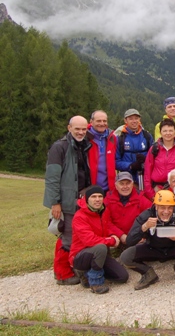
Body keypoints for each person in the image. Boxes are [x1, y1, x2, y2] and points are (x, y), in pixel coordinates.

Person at [44, 116, 92, 285]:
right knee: (67, 237)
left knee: (78, 236)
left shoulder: (84, 145)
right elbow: (52, 177)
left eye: (84, 129)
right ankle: (62, 274)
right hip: (66, 201)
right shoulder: (59, 147)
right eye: (77, 129)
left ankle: (73, 267)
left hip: (81, 199)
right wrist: (55, 202)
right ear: (69, 128)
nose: (80, 132)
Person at [121, 190, 175, 290]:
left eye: (170, 208)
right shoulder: (146, 216)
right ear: (156, 206)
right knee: (126, 256)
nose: (166, 211)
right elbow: (129, 241)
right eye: (162, 207)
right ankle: (148, 273)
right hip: (152, 248)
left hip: (174, 248)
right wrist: (144, 227)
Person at [69, 186, 129, 294]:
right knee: (100, 247)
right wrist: (111, 240)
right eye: (94, 197)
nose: (97, 199)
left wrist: (113, 235)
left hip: (99, 254)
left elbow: (107, 227)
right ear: (87, 199)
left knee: (122, 277)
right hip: (81, 255)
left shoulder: (103, 211)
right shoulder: (80, 217)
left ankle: (87, 274)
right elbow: (90, 241)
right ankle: (95, 282)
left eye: (100, 196)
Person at [143, 119, 175, 200]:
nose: (168, 133)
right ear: (160, 132)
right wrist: (150, 193)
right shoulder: (154, 149)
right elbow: (147, 172)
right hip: (157, 189)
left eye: (170, 130)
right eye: (165, 131)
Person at [104, 172, 152, 246]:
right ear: (116, 186)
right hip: (115, 239)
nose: (125, 186)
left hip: (137, 238)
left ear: (132, 184)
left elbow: (151, 217)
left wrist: (140, 235)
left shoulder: (142, 200)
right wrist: (121, 236)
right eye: (122, 184)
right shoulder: (108, 201)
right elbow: (106, 222)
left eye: (128, 183)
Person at [115, 108, 154, 186]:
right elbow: (115, 162)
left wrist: (145, 160)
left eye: (136, 118)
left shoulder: (147, 136)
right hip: (126, 179)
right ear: (125, 120)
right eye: (131, 119)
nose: (134, 121)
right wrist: (131, 165)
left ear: (139, 119)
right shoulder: (119, 138)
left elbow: (154, 156)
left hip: (145, 176)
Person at [87, 110, 117, 192]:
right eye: (98, 121)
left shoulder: (112, 138)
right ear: (91, 122)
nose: (102, 123)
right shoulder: (85, 138)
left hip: (109, 188)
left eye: (104, 121)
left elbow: (116, 160)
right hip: (90, 187)